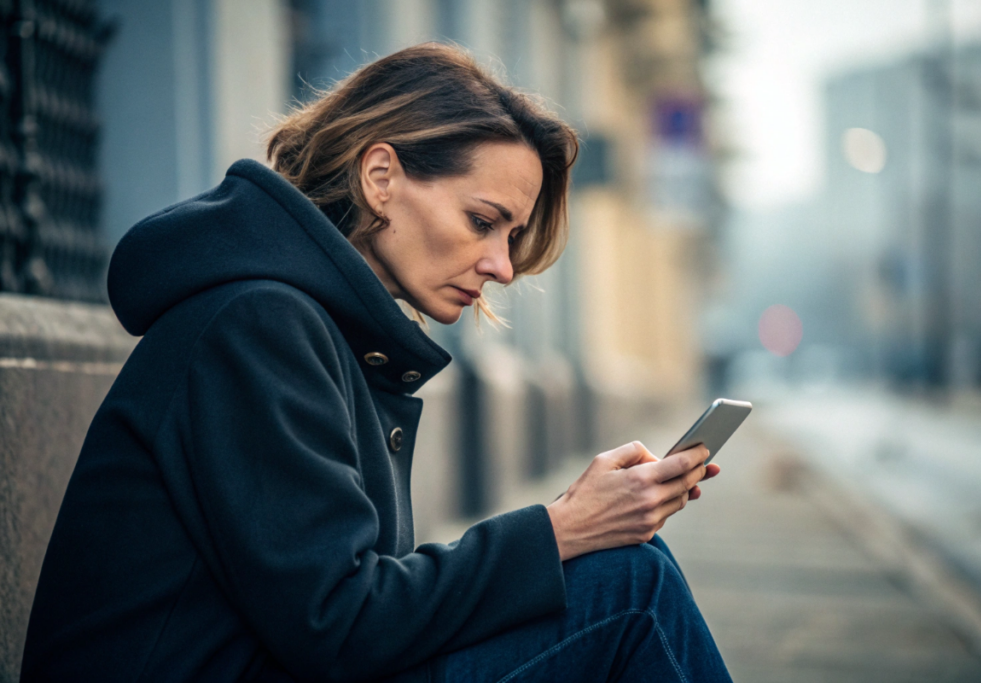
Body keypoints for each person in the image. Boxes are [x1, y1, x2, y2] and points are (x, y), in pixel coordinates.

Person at [21, 43, 732, 683]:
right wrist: (564, 526)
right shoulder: (256, 325)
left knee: (627, 569)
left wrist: (577, 531)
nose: (502, 266)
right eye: (484, 221)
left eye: (512, 236)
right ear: (381, 177)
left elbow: (347, 605)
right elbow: (340, 623)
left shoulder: (317, 325)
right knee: (630, 590)